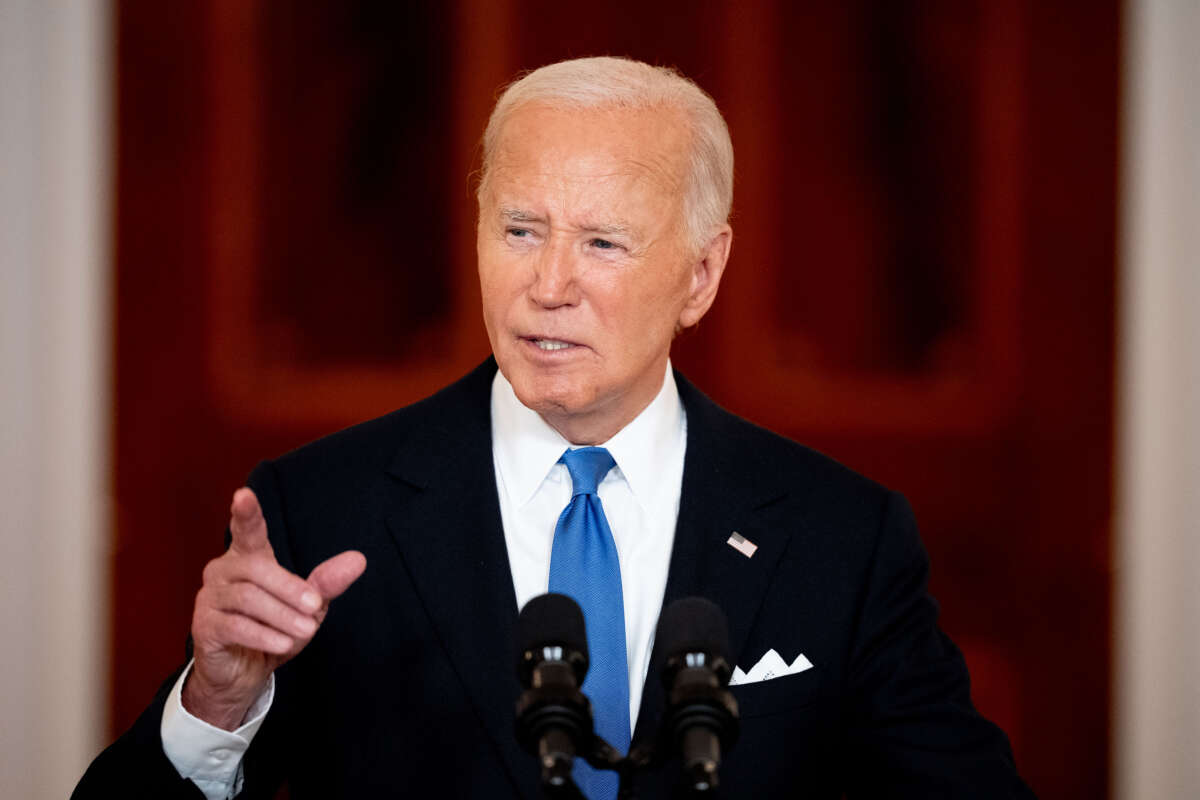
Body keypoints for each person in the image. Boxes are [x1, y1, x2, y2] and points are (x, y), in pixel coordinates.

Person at [74, 56, 1034, 799]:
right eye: (520, 229)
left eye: (603, 242)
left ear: (701, 275)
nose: (548, 285)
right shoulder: (320, 511)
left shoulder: (843, 536)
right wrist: (218, 705)